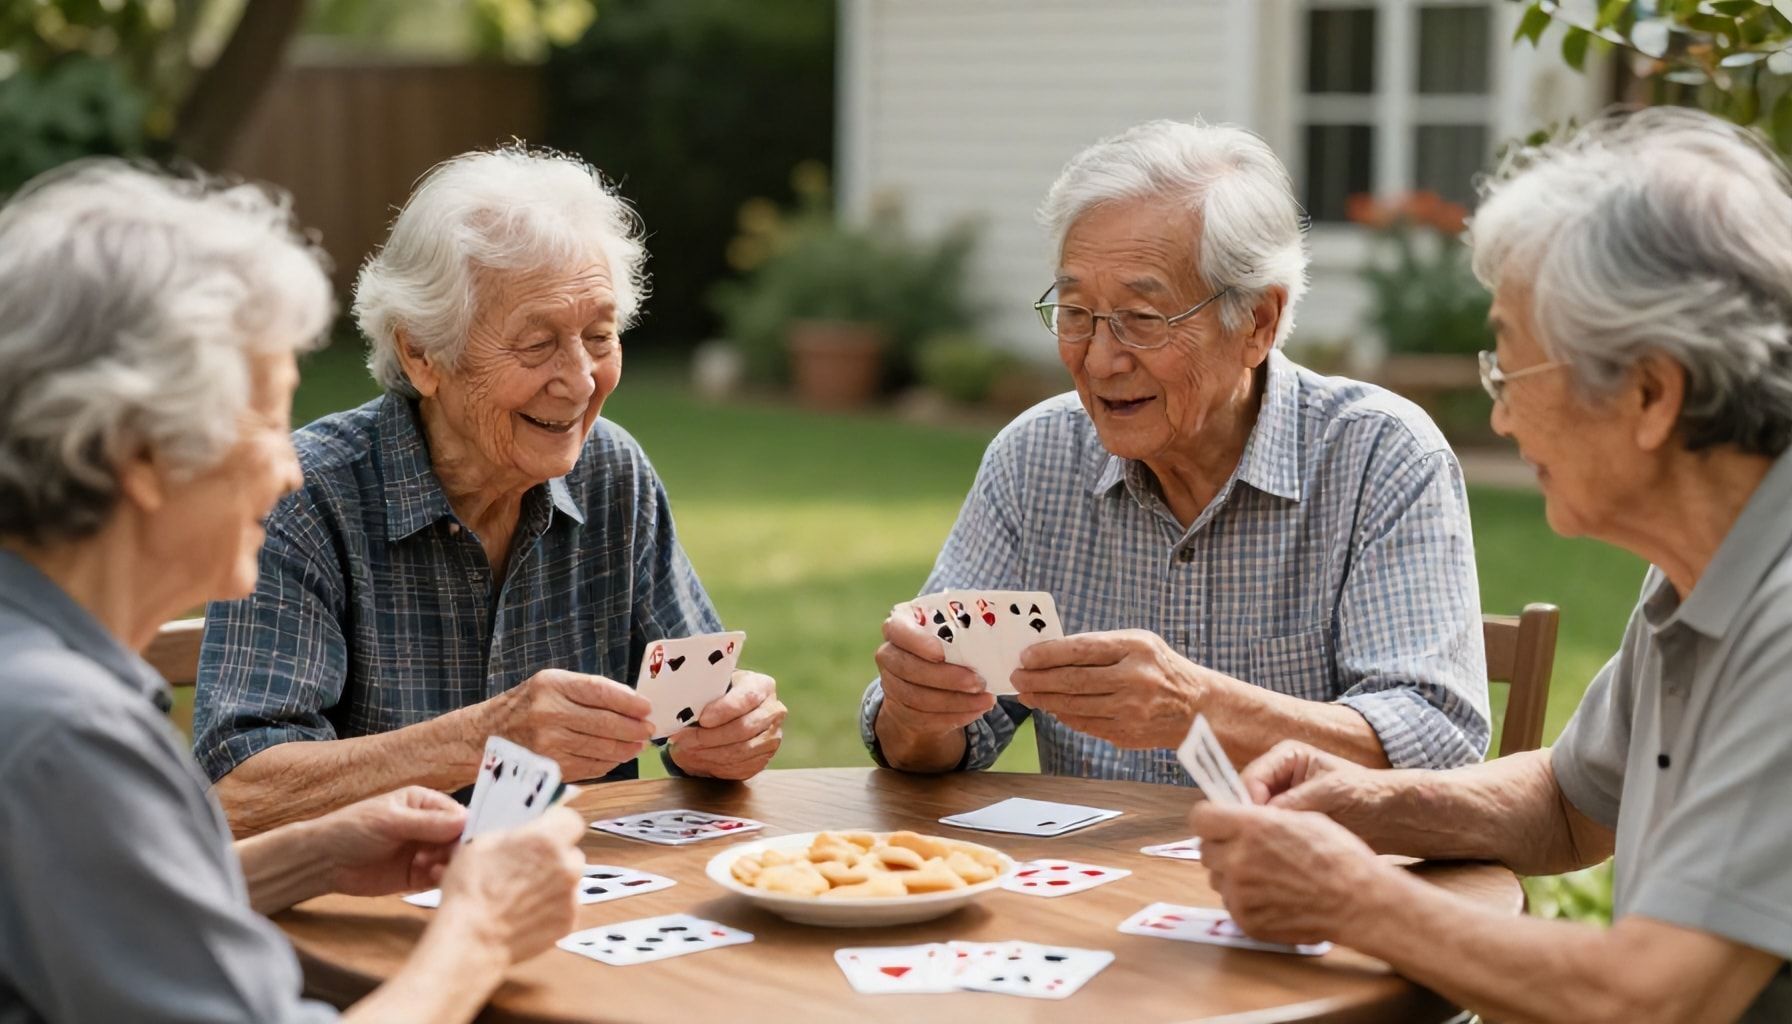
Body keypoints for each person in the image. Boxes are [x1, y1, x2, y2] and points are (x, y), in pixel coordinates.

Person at [1191, 107, 1792, 1023]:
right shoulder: (1705, 569)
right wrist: (1364, 802)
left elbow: (1652, 998)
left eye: (1513, 372)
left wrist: (1349, 895)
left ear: (1650, 393)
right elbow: (1569, 805)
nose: (1502, 418)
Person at [0, 160, 587, 1024]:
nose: (289, 471)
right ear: (143, 457)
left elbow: (94, 903)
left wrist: (309, 856)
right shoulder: (69, 738)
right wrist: (483, 931)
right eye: (270, 422)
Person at [863, 118, 1489, 780]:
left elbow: (1435, 739)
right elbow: (934, 741)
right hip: (1103, 854)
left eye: (1142, 319)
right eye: (1075, 314)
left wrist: (1198, 707)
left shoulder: (1380, 456)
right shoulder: (1035, 458)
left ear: (1258, 322)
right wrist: (918, 710)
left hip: (1303, 847)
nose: (1099, 360)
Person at [195, 147, 786, 835]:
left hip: (573, 884)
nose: (580, 379)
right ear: (422, 353)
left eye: (599, 335)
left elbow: (693, 706)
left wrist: (727, 730)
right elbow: (239, 793)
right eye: (536, 344)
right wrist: (482, 739)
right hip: (375, 896)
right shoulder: (304, 496)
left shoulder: (611, 472)